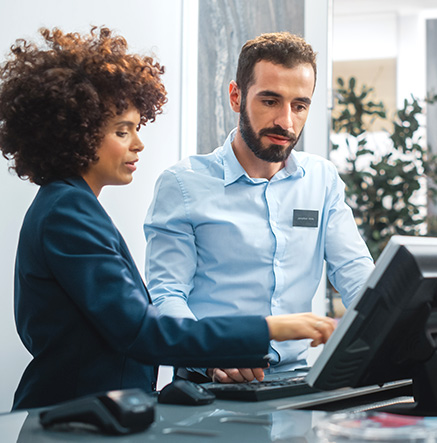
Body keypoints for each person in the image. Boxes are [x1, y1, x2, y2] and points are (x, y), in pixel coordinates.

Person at [0, 27, 335, 410]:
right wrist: (272, 328)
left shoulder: (72, 205)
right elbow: (143, 331)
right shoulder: (67, 213)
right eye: (122, 131)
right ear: (76, 133)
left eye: (136, 129)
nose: (138, 144)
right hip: (71, 420)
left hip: (98, 415)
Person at [144, 32, 374, 383]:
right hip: (210, 380)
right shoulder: (182, 184)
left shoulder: (322, 180)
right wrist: (207, 355)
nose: (287, 122)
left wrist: (395, 322)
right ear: (236, 96)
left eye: (299, 106)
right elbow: (167, 294)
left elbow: (356, 273)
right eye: (270, 101)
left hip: (298, 378)